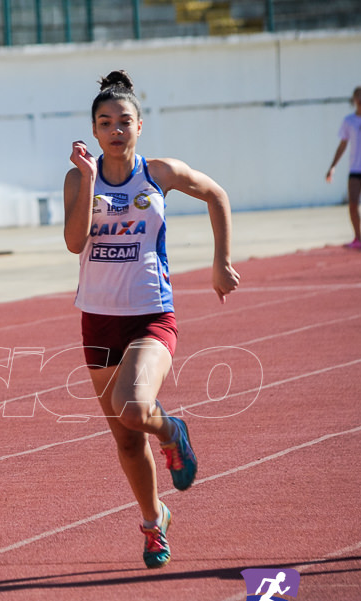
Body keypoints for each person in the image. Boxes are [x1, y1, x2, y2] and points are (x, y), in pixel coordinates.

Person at [63, 71, 240, 568]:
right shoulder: (80, 177)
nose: (115, 130)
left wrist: (220, 262)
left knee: (135, 408)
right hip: (97, 320)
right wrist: (91, 183)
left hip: (150, 315)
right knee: (123, 436)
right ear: (94, 131)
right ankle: (153, 520)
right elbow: (76, 242)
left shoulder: (159, 173)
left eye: (124, 121)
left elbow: (216, 195)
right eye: (105, 122)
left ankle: (173, 432)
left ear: (140, 125)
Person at [325, 85, 361, 251]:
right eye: (358, 96)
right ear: (354, 100)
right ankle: (358, 238)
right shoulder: (349, 121)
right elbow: (343, 145)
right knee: (353, 204)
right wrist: (332, 166)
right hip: (356, 168)